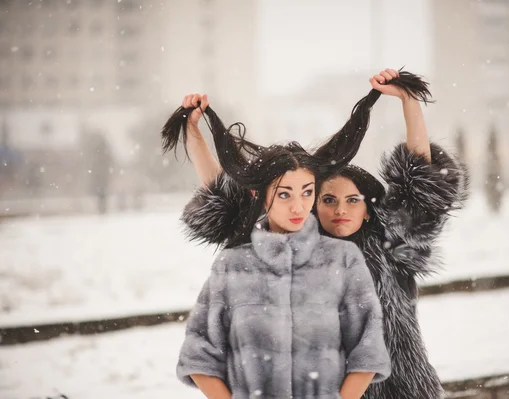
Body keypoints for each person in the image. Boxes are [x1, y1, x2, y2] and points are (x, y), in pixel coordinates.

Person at [170, 68, 469, 398]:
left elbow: (420, 188)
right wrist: (193, 130)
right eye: (328, 200)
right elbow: (232, 197)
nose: (340, 210)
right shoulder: (294, 249)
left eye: (352, 201)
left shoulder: (387, 242)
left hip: (400, 390)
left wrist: (409, 102)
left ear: (369, 207)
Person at [170, 96, 391, 398]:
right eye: (284, 194)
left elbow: (367, 349)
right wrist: (193, 129)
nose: (299, 206)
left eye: (307, 192)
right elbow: (199, 353)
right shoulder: (232, 265)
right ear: (259, 194)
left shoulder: (342, 260)